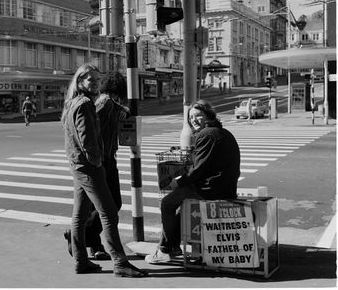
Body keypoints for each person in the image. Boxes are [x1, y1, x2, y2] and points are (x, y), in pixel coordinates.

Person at [61, 63, 147, 277]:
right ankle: (120, 263)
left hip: (79, 164)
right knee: (108, 213)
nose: (96, 83)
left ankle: (81, 261)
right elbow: (87, 139)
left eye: (98, 80)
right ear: (80, 81)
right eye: (91, 79)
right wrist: (97, 161)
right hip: (90, 166)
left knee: (80, 215)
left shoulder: (72, 102)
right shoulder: (85, 104)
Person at [145, 99, 240, 264]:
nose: (194, 120)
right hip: (224, 186)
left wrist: (178, 181)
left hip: (211, 188)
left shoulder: (207, 134)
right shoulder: (221, 132)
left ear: (208, 115)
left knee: (167, 204)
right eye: (191, 118)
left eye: (198, 116)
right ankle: (171, 246)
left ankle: (166, 249)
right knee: (180, 210)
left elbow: (198, 169)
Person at [64, 71, 130, 260]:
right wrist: (96, 160)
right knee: (111, 206)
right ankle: (87, 239)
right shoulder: (106, 102)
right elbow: (91, 128)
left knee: (90, 207)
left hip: (105, 158)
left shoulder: (108, 103)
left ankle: (86, 240)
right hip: (101, 160)